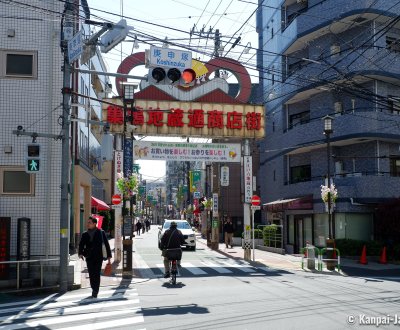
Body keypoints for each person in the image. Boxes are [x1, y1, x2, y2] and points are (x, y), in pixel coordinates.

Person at [78, 216, 112, 298]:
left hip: (98, 256)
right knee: (91, 273)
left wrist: (109, 257)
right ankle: (93, 287)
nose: (88, 224)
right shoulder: (85, 234)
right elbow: (81, 244)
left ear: (94, 223)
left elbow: (106, 244)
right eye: (88, 222)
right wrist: (80, 253)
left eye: (89, 222)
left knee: (96, 274)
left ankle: (95, 290)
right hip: (89, 257)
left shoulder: (101, 232)